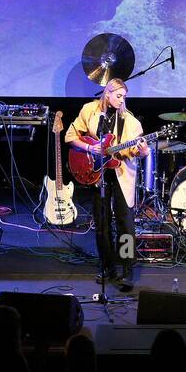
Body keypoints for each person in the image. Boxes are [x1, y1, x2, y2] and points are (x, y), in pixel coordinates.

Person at [65, 78, 150, 291]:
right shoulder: (90, 110)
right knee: (101, 226)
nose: (122, 101)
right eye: (118, 96)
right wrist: (88, 148)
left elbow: (139, 152)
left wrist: (142, 150)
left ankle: (128, 269)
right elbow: (70, 136)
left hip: (121, 174)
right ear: (108, 93)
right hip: (98, 174)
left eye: (124, 97)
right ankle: (107, 267)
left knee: (125, 225)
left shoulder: (130, 121)